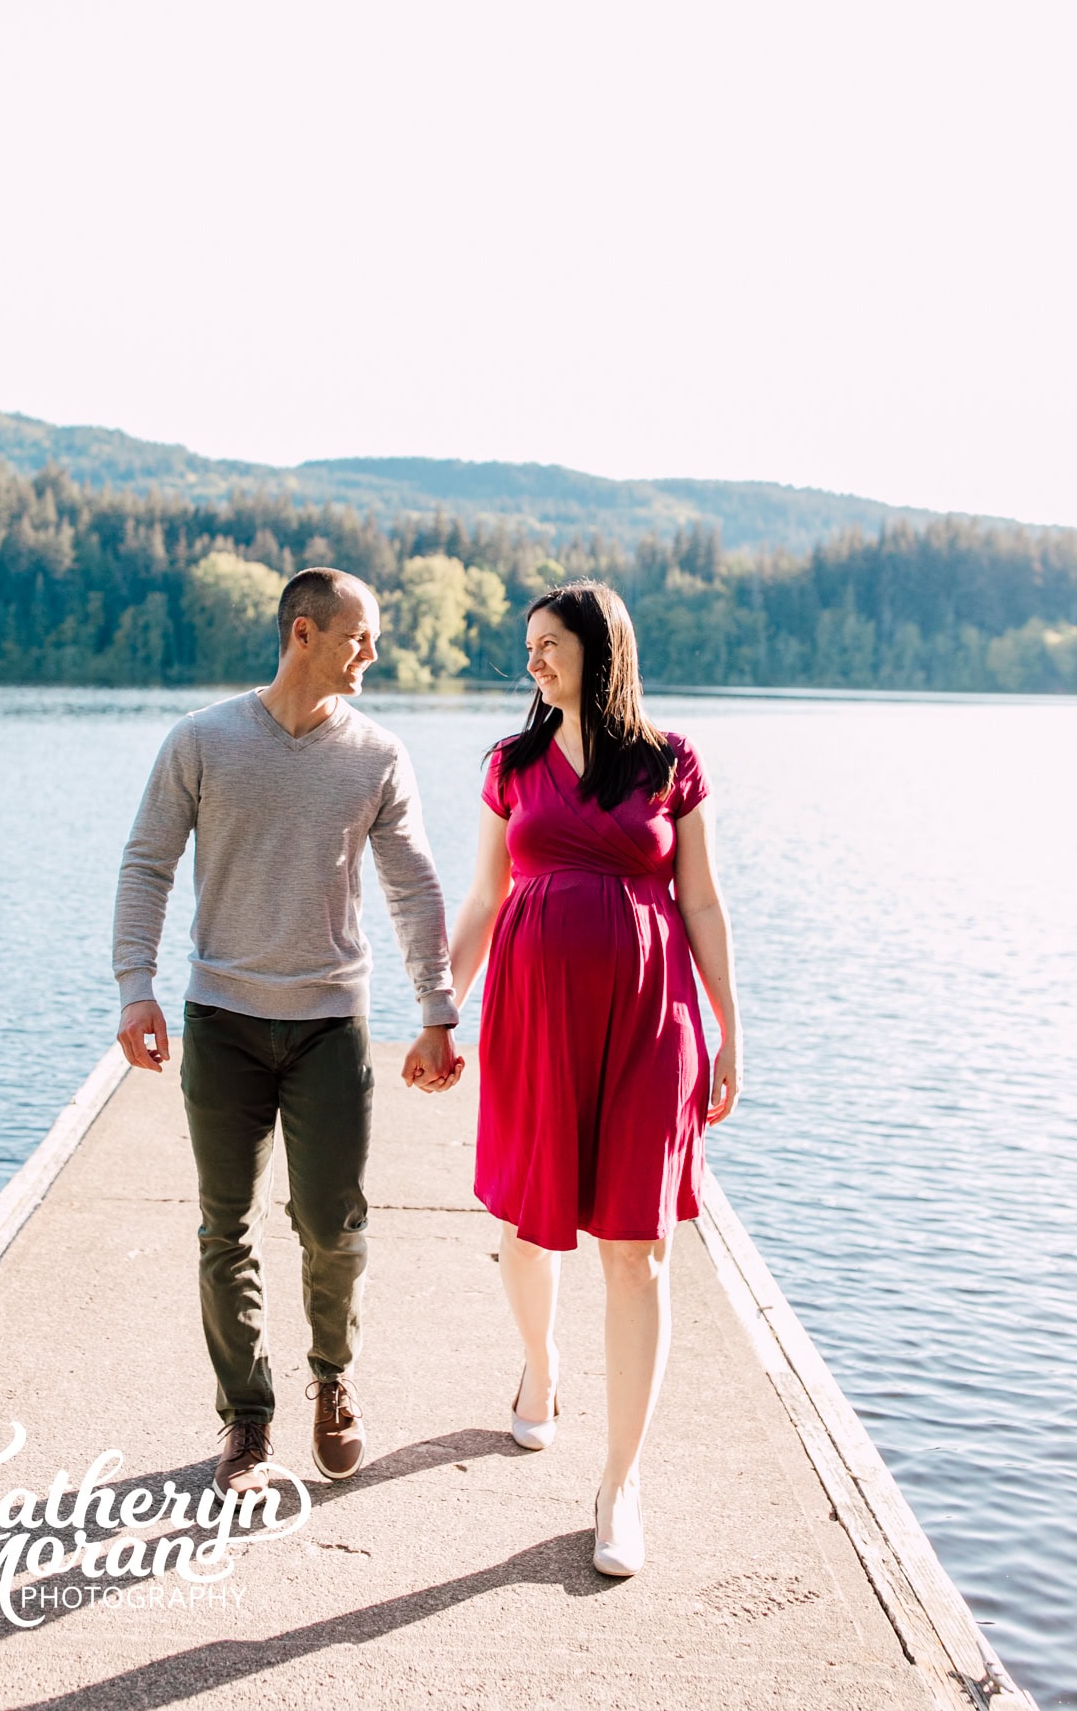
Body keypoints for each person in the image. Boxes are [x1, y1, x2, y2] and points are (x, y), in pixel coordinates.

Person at [112, 566, 463, 1499]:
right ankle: (247, 1418)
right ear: (302, 632)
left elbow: (415, 885)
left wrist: (436, 1007)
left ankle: (332, 1377)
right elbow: (147, 863)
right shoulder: (202, 741)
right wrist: (133, 988)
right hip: (220, 1019)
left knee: (333, 1226)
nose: (373, 654)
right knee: (223, 1228)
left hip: (328, 1027)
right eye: (360, 635)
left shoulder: (377, 754)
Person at [448, 580, 742, 1577]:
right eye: (528, 644)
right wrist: (441, 1003)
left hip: (653, 1021)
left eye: (549, 644)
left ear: (598, 650)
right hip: (533, 1017)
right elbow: (487, 894)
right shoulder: (511, 764)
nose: (531, 660)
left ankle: (621, 1481)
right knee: (528, 1230)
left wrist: (730, 1030)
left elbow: (698, 898)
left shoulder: (670, 761)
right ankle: (541, 1363)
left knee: (637, 1247)